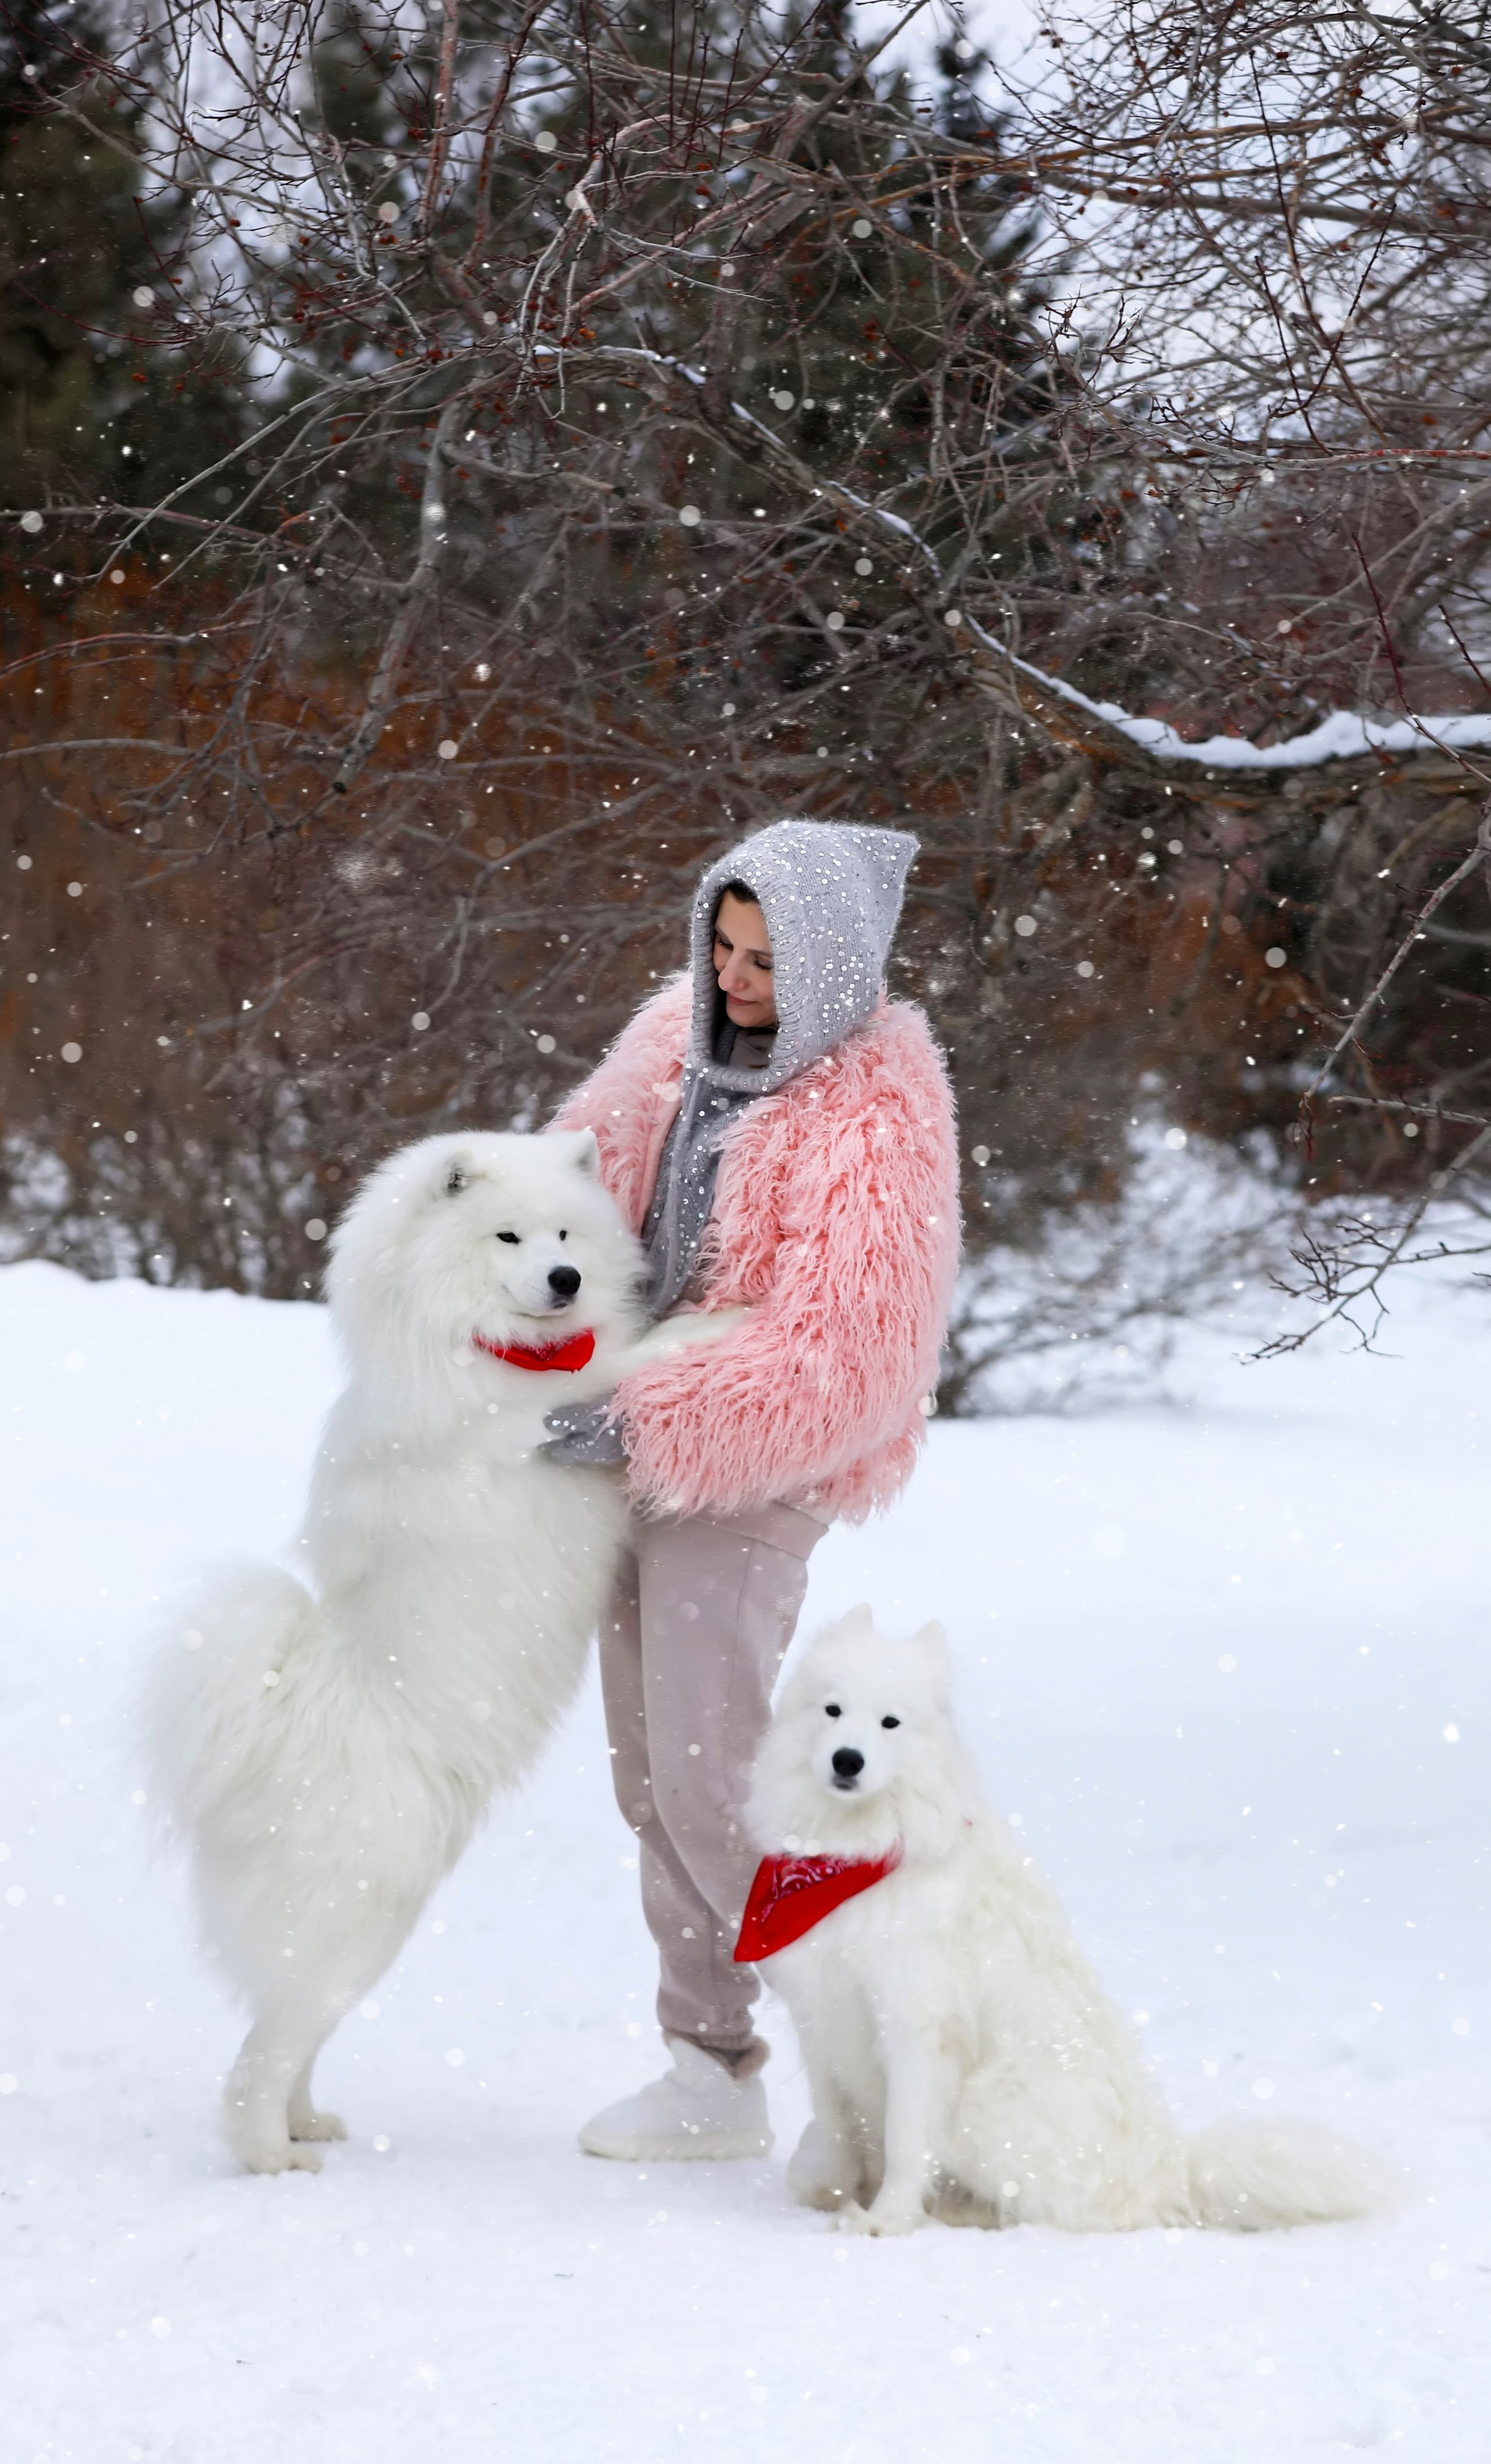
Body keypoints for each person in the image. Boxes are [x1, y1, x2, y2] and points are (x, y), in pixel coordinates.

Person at [544, 818, 960, 2160]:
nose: (729, 978)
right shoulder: (673, 1042)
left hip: (750, 1464)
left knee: (719, 1779)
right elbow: (567, 1190)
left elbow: (853, 1356)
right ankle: (709, 2070)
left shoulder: (875, 1113)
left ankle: (874, 2060)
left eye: (765, 960)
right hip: (621, 1433)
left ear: (831, 966)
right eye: (721, 945)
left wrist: (637, 1415)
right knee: (650, 1780)